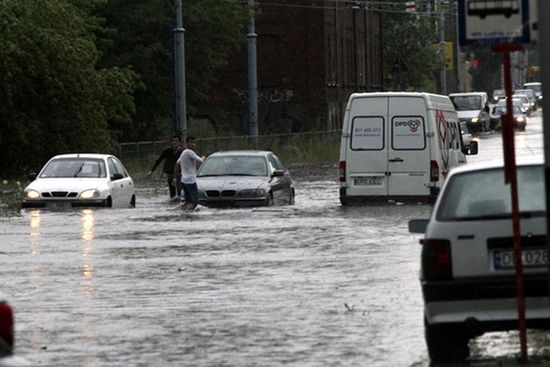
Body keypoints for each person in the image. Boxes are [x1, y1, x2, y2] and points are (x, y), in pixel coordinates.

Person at [173, 136, 205, 210]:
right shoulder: (190, 152)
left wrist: (174, 178)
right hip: (191, 181)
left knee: (188, 202)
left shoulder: (184, 152)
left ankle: (182, 211)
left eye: (194, 142)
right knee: (194, 202)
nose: (193, 144)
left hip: (184, 181)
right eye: (191, 142)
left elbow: (177, 164)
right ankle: (187, 214)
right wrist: (203, 158)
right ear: (187, 143)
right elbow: (201, 160)